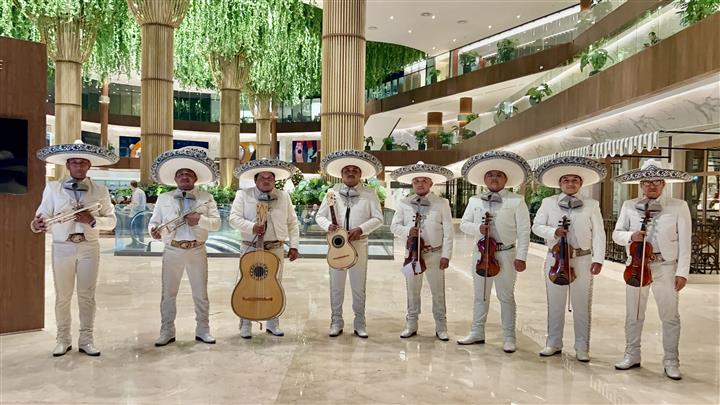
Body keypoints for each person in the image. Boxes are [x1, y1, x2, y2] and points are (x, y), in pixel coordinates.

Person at [32, 141, 118, 357]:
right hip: (63, 247)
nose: (78, 166)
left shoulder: (101, 190)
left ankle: (86, 339)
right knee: (63, 296)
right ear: (67, 165)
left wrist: (93, 220)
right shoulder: (53, 188)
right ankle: (63, 339)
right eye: (74, 162)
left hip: (89, 246)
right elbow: (42, 216)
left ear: (89, 166)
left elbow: (112, 221)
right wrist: (36, 225)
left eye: (83, 163)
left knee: (87, 295)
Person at [612, 159, 692, 380]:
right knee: (634, 314)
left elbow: (686, 242)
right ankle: (632, 354)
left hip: (665, 267)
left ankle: (671, 361)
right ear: (641, 184)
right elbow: (617, 234)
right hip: (637, 267)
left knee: (670, 316)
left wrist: (682, 272)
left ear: (664, 183)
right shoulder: (629, 206)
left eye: (657, 181)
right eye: (647, 182)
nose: (652, 185)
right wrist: (631, 236)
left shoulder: (678, 206)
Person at [531, 156, 606, 362]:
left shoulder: (591, 204)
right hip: (555, 259)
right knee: (555, 302)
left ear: (580, 183)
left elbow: (599, 233)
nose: (570, 183)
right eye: (566, 180)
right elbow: (536, 226)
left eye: (575, 180)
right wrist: (554, 231)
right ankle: (553, 342)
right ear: (560, 184)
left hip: (582, 258)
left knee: (582, 304)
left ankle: (582, 346)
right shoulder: (548, 203)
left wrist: (598, 258)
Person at [457, 151, 531, 353]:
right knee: (480, 295)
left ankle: (509, 336)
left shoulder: (517, 201)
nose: (494, 178)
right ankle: (477, 332)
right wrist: (478, 229)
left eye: (499, 175)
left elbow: (524, 232)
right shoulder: (475, 200)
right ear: (485, 179)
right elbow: (464, 224)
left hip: (506, 253)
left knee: (506, 296)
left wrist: (521, 257)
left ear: (506, 179)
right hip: (481, 254)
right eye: (490, 175)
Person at [148, 147, 221, 347]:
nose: (185, 177)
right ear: (175, 179)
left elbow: (216, 224)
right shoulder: (164, 198)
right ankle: (167, 330)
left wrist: (200, 220)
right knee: (168, 293)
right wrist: (153, 230)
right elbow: (154, 222)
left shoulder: (206, 197)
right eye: (181, 174)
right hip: (173, 249)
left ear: (195, 178)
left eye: (189, 174)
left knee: (200, 292)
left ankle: (203, 329)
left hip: (197, 249)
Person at [315, 150, 384, 338]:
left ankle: (360, 323)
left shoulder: (370, 193)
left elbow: (378, 218)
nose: (351, 172)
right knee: (336, 286)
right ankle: (336, 321)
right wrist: (328, 225)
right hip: (337, 246)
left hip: (359, 245)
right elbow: (319, 216)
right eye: (347, 170)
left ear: (360, 174)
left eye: (355, 170)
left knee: (358, 285)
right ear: (341, 174)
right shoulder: (332, 193)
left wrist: (361, 229)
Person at [229, 159, 300, 338]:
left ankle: (272, 322)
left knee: (274, 285)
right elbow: (233, 218)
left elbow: (292, 223)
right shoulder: (243, 195)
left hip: (275, 248)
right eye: (263, 178)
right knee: (247, 284)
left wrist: (294, 246)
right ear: (256, 180)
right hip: (250, 248)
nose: (266, 181)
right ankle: (245, 323)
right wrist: (251, 227)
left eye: (270, 178)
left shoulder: (284, 196)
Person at [390, 161, 454, 341]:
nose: (420, 183)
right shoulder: (404, 203)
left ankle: (441, 326)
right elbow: (394, 226)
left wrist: (446, 255)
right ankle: (411, 323)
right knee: (412, 290)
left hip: (434, 253)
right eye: (416, 180)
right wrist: (406, 231)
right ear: (412, 183)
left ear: (431, 183)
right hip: (412, 254)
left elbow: (449, 232)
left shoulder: (442, 203)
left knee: (438, 291)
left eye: (424, 180)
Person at [127, 180, 147, 244]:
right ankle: (140, 243)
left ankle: (135, 243)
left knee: (135, 229)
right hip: (140, 213)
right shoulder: (141, 191)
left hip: (136, 214)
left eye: (129, 185)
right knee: (139, 229)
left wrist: (128, 207)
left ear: (131, 185)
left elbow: (136, 203)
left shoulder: (137, 193)